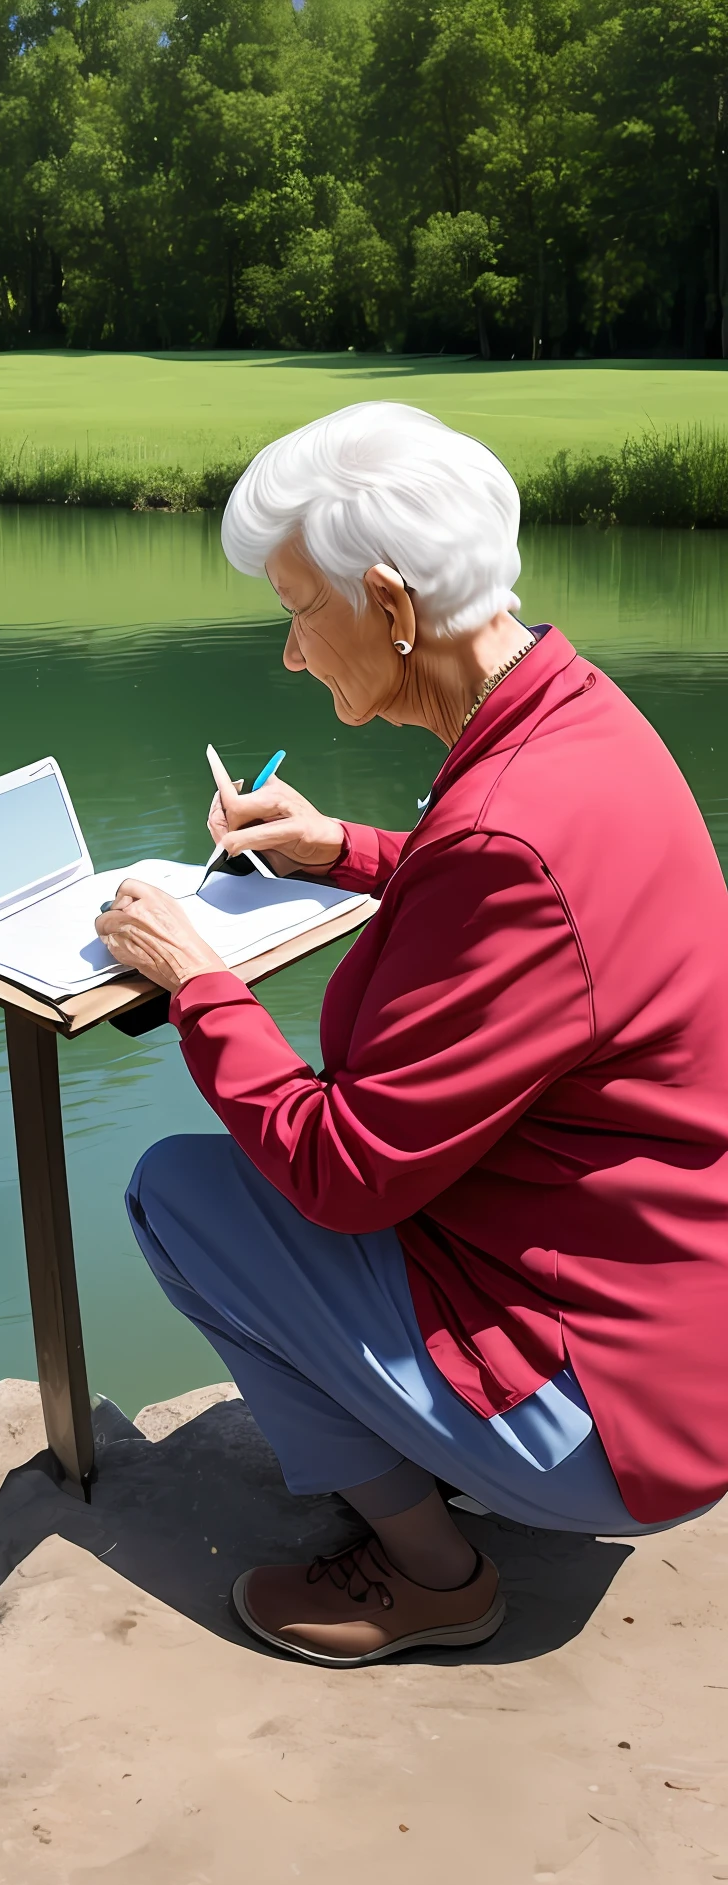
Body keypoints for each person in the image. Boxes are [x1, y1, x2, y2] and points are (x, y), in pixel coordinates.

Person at [94, 401, 728, 1668]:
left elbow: (341, 1171)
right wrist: (345, 851)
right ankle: (433, 1458)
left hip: (605, 1420)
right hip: (669, 1328)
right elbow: (527, 912)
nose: (286, 653)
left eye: (296, 609)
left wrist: (196, 978)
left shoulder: (506, 831)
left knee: (180, 1191)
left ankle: (427, 1570)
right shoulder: (575, 716)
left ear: (387, 604)